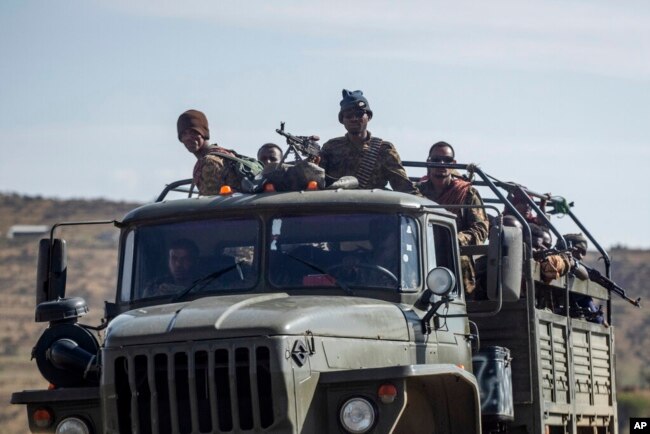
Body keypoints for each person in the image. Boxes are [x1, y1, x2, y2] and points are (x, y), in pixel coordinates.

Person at [417, 141, 489, 294]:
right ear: (429, 162)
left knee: (460, 261)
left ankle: (461, 304)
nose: (441, 164)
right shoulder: (417, 193)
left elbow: (481, 229)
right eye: (436, 160)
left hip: (454, 253)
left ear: (454, 164)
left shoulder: (467, 193)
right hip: (419, 251)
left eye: (447, 161)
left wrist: (455, 239)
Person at [319, 89, 418, 194]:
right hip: (337, 206)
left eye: (359, 114)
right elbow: (317, 181)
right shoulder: (331, 147)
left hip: (371, 207)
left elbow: (403, 187)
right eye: (348, 115)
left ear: (368, 117)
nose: (354, 119)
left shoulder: (383, 149)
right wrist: (310, 163)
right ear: (342, 120)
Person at [177, 109, 244, 195]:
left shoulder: (210, 162)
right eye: (184, 134)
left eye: (193, 132)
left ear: (203, 133)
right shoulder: (220, 154)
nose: (188, 137)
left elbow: (209, 202)